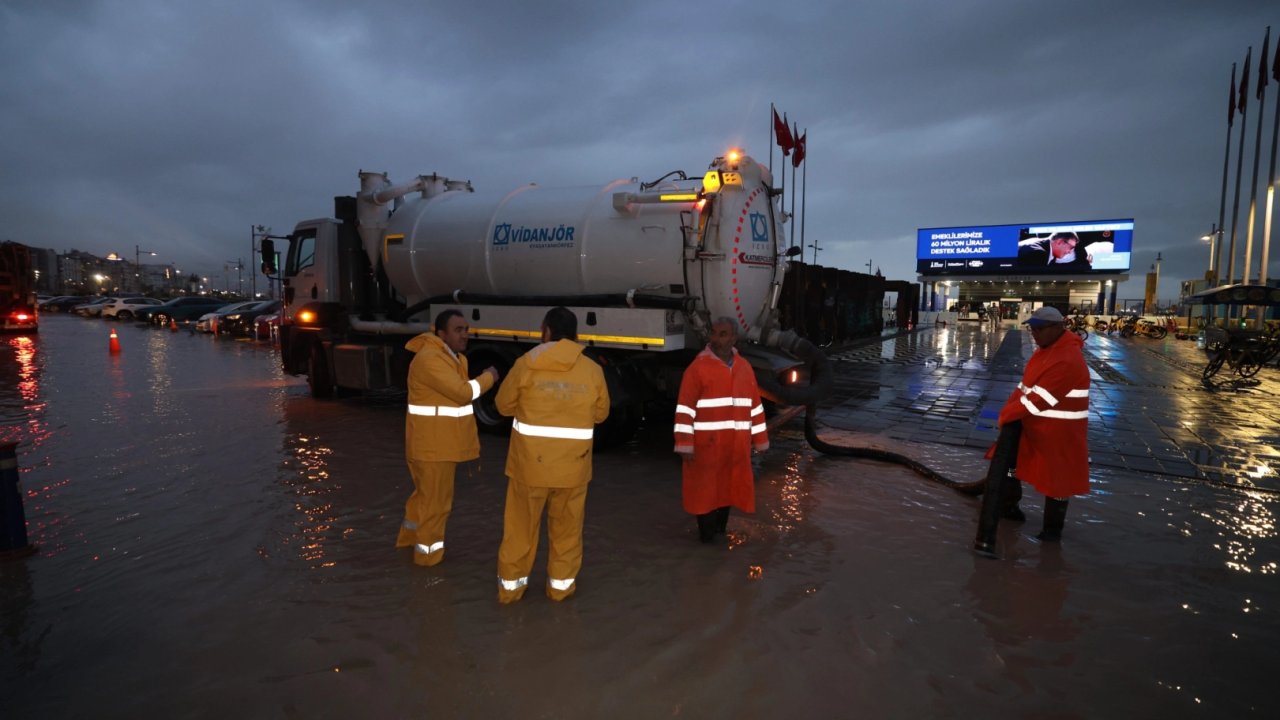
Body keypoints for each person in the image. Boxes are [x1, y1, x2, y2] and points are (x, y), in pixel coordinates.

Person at [494, 307, 609, 603]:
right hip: (573, 470)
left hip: (529, 468)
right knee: (567, 533)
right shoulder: (592, 370)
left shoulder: (526, 363)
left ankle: (511, 592)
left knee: (520, 530)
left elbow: (503, 406)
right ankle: (560, 591)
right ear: (576, 335)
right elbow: (601, 414)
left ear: (545, 331)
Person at [974, 306, 1090, 554]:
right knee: (1010, 468)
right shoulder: (1046, 351)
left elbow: (1039, 400)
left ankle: (1051, 534)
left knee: (1058, 483)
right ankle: (1010, 509)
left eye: (1039, 329)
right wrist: (1010, 410)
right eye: (1032, 328)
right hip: (1032, 427)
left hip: (1059, 433)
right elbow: (1025, 388)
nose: (1035, 333)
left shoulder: (1067, 360)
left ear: (1058, 328)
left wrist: (1007, 415)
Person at [396, 309, 499, 566]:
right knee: (436, 506)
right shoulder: (431, 359)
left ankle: (408, 545)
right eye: (458, 330)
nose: (465, 335)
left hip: (433, 445)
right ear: (441, 334)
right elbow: (463, 393)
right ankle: (428, 562)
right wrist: (489, 377)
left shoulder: (452, 358)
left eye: (466, 329)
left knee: (423, 499)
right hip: (434, 447)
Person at [673, 317, 770, 543]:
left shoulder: (744, 368)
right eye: (714, 333)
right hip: (705, 449)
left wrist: (760, 440)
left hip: (734, 449)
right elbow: (684, 410)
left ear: (734, 338)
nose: (716, 339)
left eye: (723, 334)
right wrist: (685, 445)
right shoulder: (697, 369)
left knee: (727, 491)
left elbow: (755, 408)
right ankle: (707, 544)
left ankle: (718, 536)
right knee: (705, 495)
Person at [1016, 231, 1092, 269]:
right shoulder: (1039, 254)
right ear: (1060, 242)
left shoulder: (1040, 244)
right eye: (1071, 247)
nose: (1069, 252)